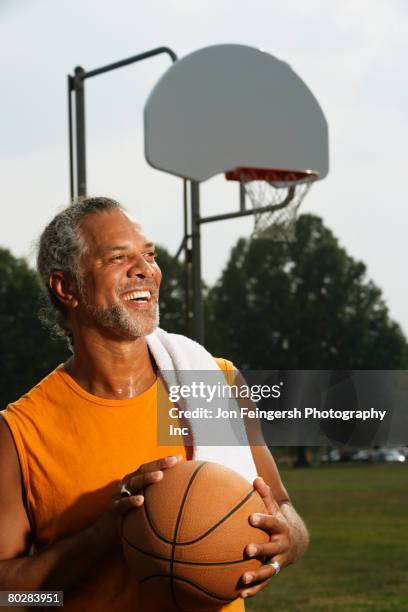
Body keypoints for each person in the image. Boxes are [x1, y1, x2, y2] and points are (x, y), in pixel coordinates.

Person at [0, 197, 309, 611]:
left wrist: (287, 539)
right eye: (118, 257)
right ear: (66, 287)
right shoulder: (19, 433)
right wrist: (101, 536)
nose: (145, 269)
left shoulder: (214, 381)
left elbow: (285, 509)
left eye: (148, 255)